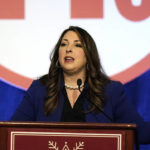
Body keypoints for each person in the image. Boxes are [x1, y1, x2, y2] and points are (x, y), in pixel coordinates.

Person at [10, 26, 150, 144]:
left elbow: (141, 133)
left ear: (88, 55)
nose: (68, 49)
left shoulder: (110, 91)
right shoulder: (40, 89)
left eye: (77, 45)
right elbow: (11, 132)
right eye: (64, 44)